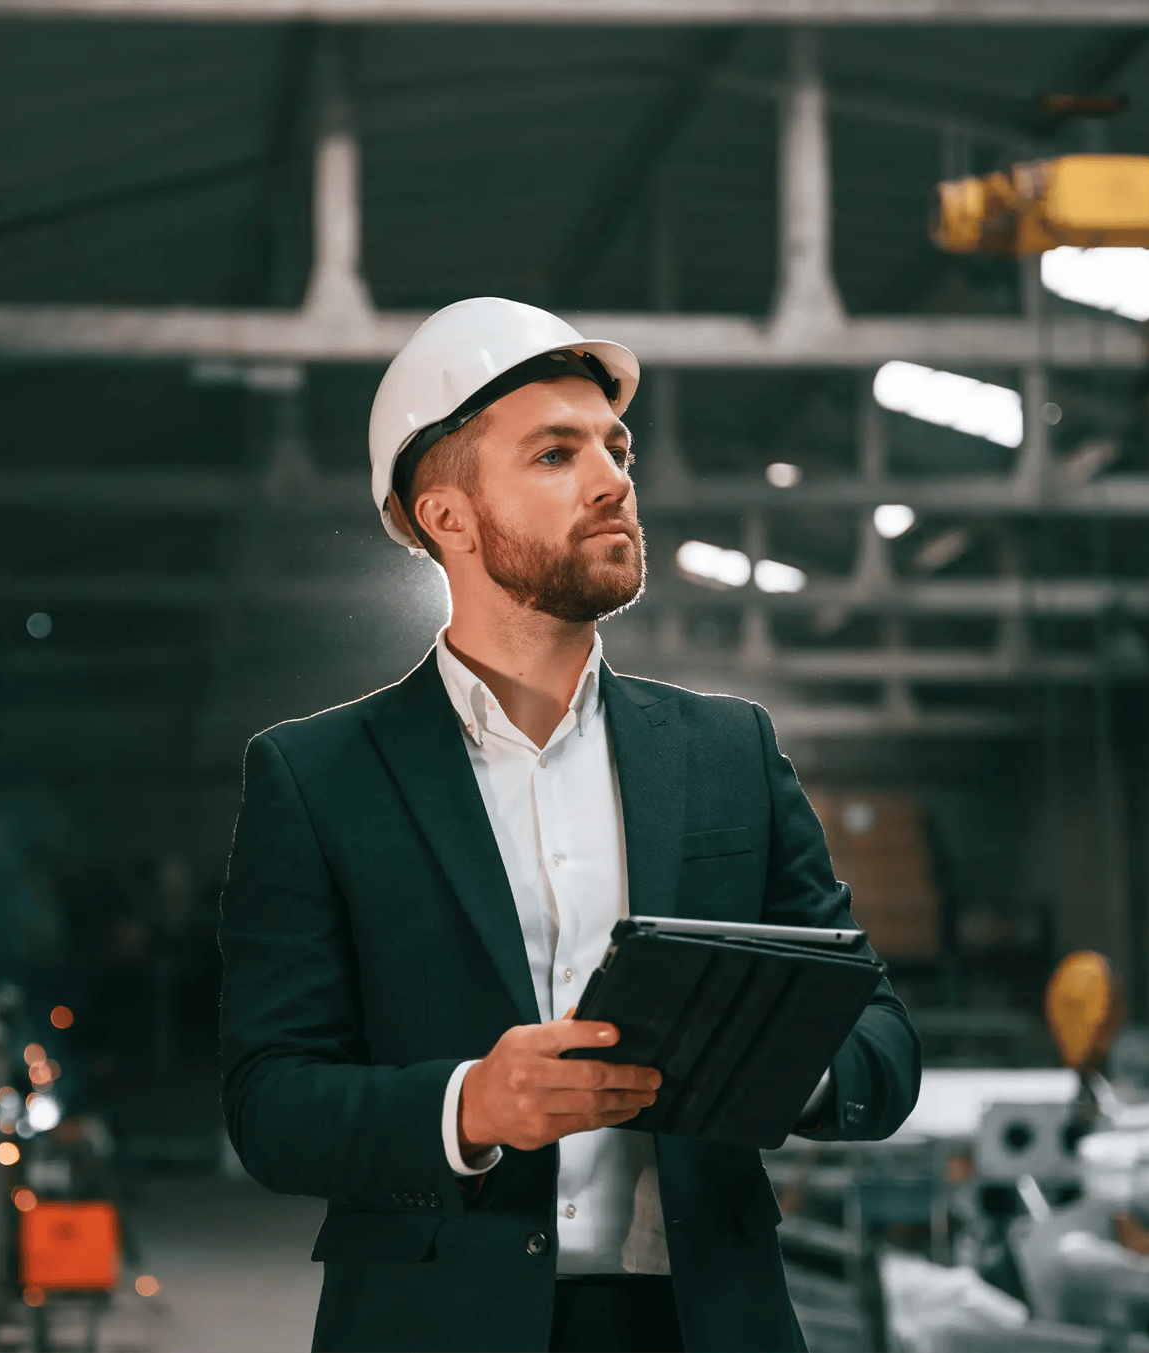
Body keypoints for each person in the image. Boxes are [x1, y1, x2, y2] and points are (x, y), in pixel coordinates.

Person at [219, 297, 921, 1353]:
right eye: (555, 454)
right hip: (435, 1323)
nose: (613, 480)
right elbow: (270, 1104)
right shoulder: (316, 779)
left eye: (615, 447)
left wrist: (768, 1065)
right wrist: (470, 1106)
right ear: (444, 517)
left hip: (703, 1322)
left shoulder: (728, 752)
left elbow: (881, 1039)